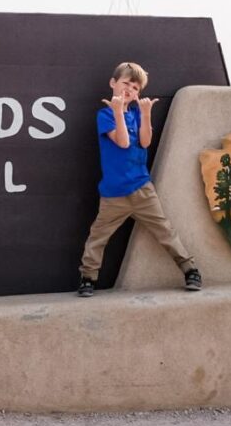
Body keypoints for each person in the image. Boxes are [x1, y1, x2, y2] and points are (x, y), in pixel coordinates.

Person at [77, 62, 202, 297]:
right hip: (114, 194)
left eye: (135, 87)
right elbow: (122, 142)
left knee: (165, 231)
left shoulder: (136, 113)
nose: (129, 89)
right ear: (113, 83)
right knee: (98, 237)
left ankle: (190, 269)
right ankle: (88, 278)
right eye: (125, 83)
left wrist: (145, 114)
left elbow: (144, 142)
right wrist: (117, 110)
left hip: (142, 190)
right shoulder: (104, 115)